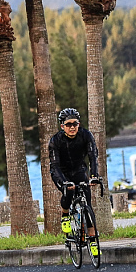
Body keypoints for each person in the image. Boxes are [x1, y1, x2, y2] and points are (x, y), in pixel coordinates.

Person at [49, 107, 100, 254]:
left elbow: (92, 157)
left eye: (75, 124)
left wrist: (94, 176)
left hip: (78, 170)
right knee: (69, 192)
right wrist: (64, 182)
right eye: (69, 124)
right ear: (62, 126)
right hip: (61, 172)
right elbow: (55, 165)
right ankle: (65, 214)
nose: (72, 127)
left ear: (79, 124)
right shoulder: (55, 140)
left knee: (87, 204)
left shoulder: (86, 135)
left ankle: (93, 241)